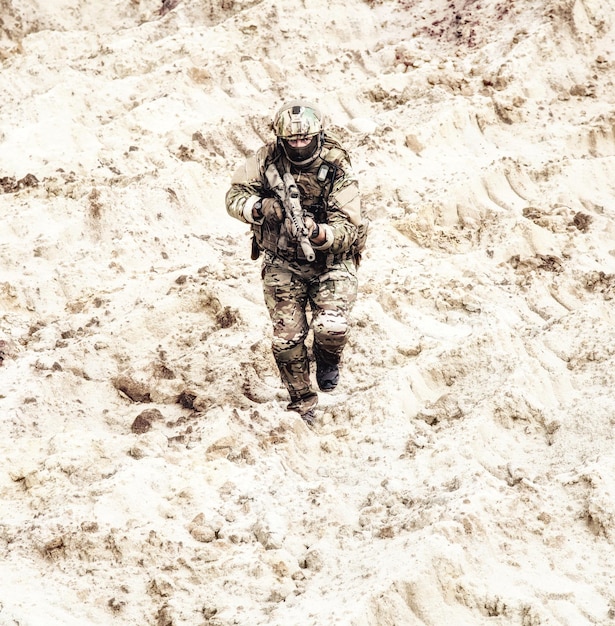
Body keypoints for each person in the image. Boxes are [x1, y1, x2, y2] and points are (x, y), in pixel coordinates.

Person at [225, 100, 365, 425]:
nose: (299, 145)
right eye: (293, 141)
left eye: (305, 139)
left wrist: (316, 232)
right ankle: (303, 403)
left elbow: (347, 228)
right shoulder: (266, 159)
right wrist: (262, 208)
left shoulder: (336, 163)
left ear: (317, 135)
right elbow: (234, 197)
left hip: (331, 260)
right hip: (282, 261)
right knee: (286, 339)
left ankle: (328, 358)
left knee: (330, 326)